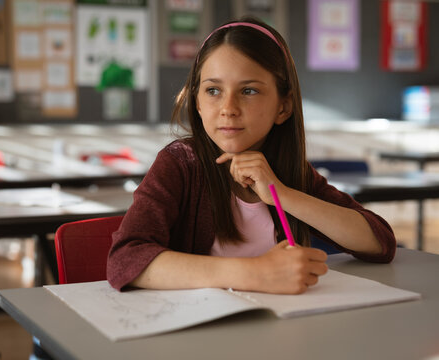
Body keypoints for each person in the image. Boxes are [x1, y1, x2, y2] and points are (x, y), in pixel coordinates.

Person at [107, 18, 396, 295]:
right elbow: (126, 259)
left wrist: (281, 194)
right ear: (196, 101)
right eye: (213, 90)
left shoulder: (287, 170)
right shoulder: (181, 164)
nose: (228, 107)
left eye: (248, 90)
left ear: (283, 107)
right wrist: (256, 273)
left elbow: (379, 243)